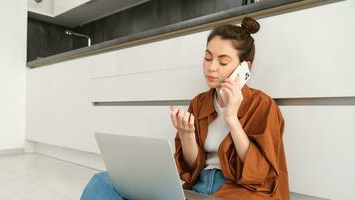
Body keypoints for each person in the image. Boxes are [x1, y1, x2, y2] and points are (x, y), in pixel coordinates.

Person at [80, 16, 289, 200]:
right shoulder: (199, 102)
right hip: (198, 186)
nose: (211, 67)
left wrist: (232, 119)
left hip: (240, 191)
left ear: (245, 68)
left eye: (223, 62)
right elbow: (190, 168)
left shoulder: (262, 105)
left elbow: (261, 174)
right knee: (102, 182)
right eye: (207, 58)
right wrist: (187, 134)